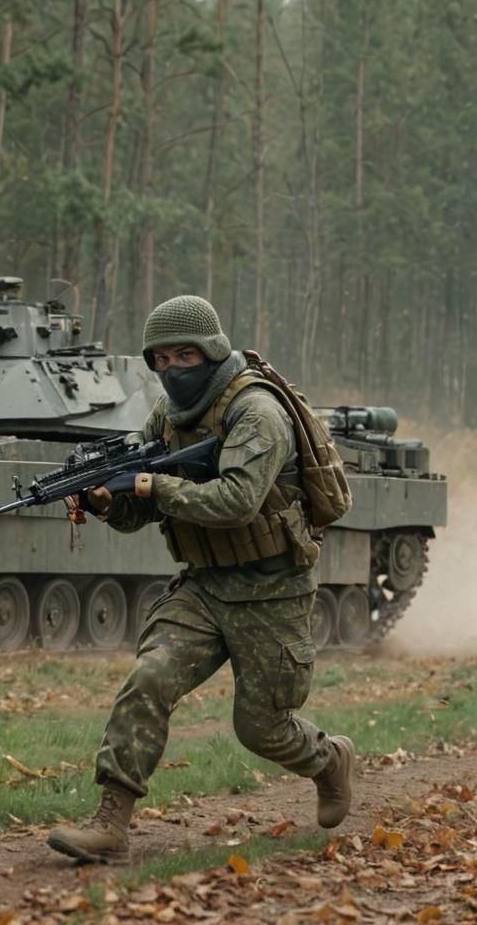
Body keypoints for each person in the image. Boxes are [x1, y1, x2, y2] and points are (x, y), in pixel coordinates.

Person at [48, 295, 355, 863]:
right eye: (160, 359)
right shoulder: (166, 417)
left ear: (212, 351)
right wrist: (109, 500)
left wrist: (151, 486)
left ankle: (328, 760)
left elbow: (237, 502)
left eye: (184, 355)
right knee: (149, 678)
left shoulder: (257, 412)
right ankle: (110, 822)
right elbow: (142, 508)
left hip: (272, 590)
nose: (172, 369)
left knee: (261, 729)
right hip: (204, 587)